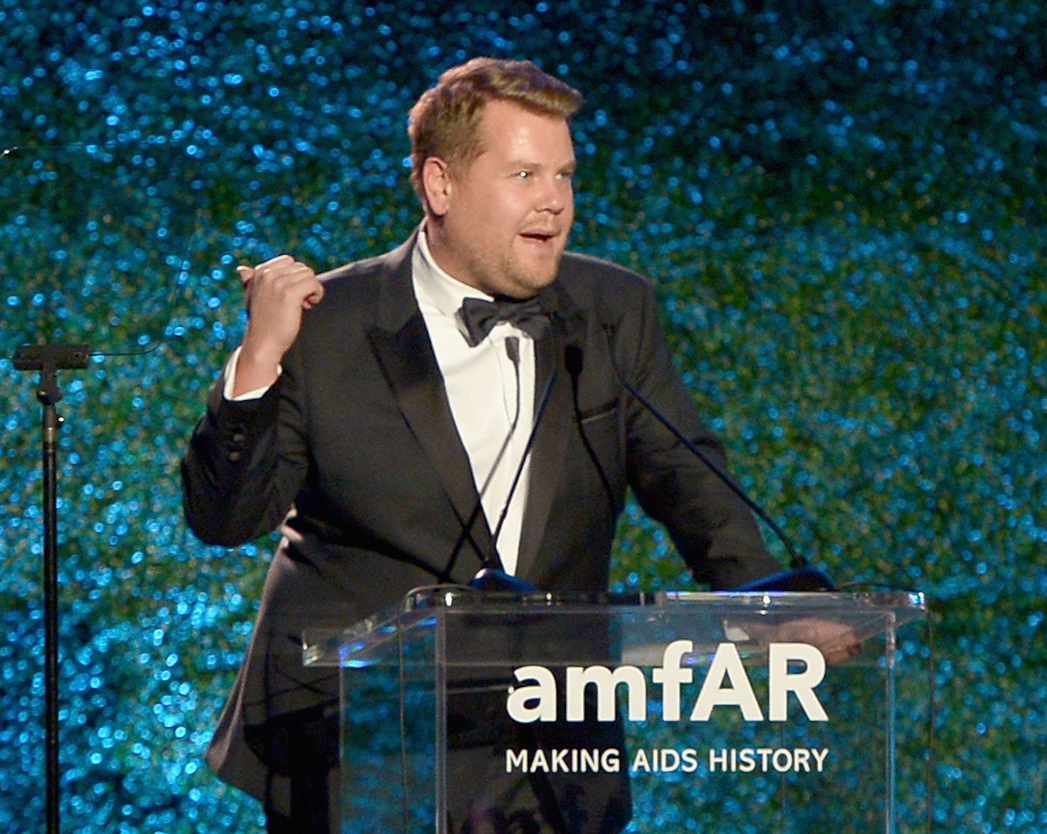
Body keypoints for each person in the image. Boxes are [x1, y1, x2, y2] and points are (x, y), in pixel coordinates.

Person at [182, 57, 790, 834]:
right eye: (526, 174)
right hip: (354, 750)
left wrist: (767, 602)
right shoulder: (329, 321)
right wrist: (259, 359)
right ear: (440, 186)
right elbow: (225, 518)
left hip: (553, 753)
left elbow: (685, 475)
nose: (556, 202)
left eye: (565, 175)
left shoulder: (611, 309)